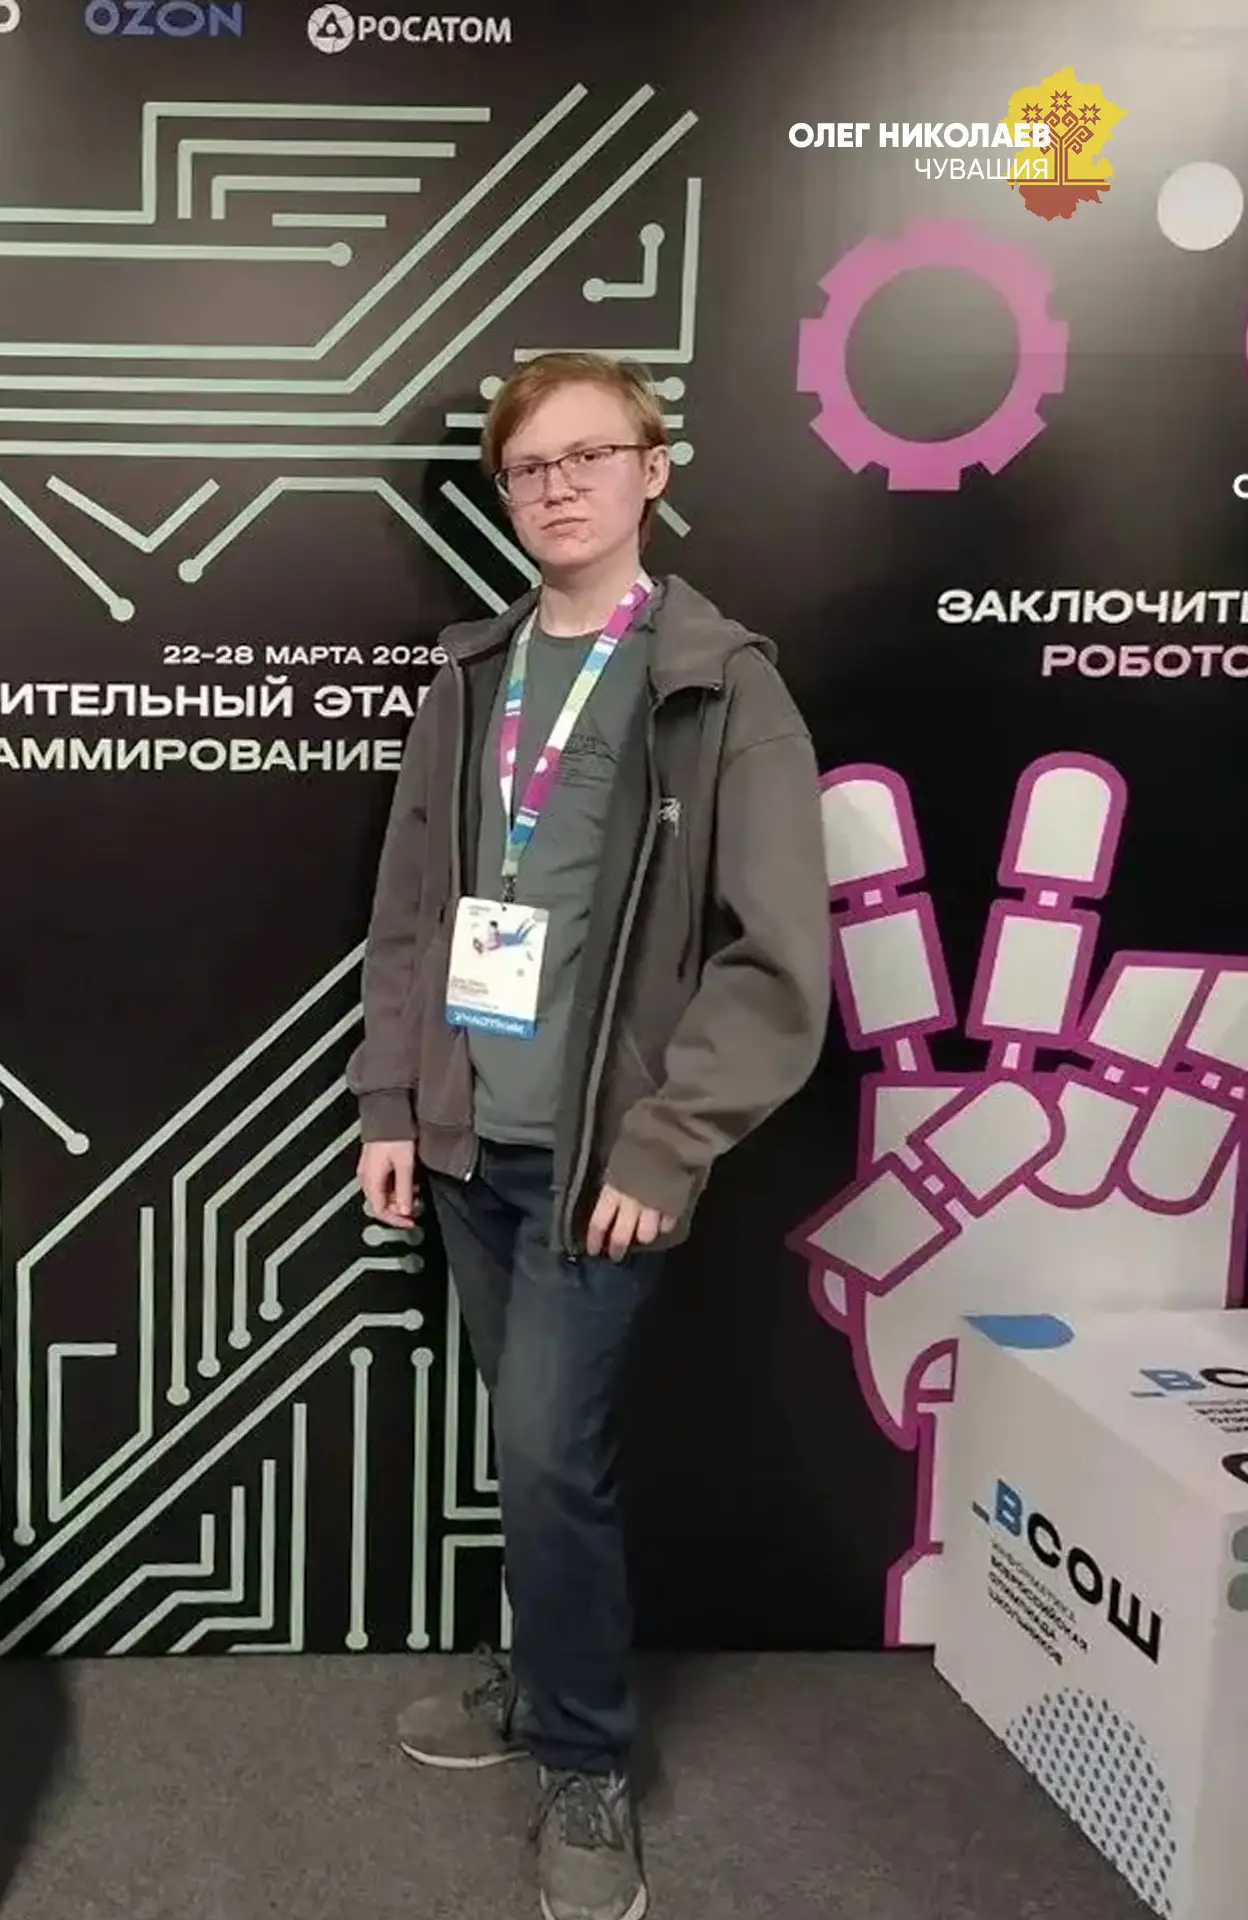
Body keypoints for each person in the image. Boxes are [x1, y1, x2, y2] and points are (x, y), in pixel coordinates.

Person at [348, 351, 832, 1920]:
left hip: (601, 1166)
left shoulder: (720, 683)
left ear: (652, 467)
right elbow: (413, 912)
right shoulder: (472, 675)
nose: (557, 488)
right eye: (528, 467)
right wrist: (392, 1102)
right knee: (534, 1447)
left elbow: (776, 959)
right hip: (471, 1144)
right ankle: (550, 1672)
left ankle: (584, 1755)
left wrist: (668, 1141)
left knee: (554, 1456)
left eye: (588, 456)